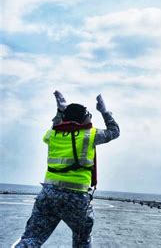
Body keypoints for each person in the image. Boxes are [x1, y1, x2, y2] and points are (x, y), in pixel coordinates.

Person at [14, 91, 120, 247]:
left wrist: (60, 112)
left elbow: (56, 126)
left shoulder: (52, 135)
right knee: (82, 241)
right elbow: (114, 131)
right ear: (84, 118)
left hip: (49, 194)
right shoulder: (90, 134)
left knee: (32, 238)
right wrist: (104, 112)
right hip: (77, 198)